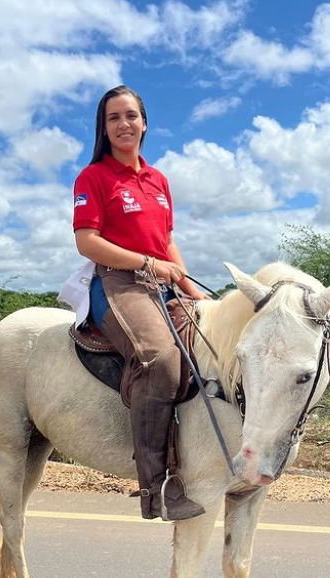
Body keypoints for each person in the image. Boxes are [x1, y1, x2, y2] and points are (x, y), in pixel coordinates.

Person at [72, 85, 209, 521]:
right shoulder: (92, 178)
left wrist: (189, 286)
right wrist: (148, 263)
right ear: (104, 128)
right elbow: (87, 242)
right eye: (113, 118)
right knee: (160, 360)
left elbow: (168, 240)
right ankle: (158, 489)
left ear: (144, 122)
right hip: (116, 284)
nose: (123, 124)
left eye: (130, 116)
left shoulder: (159, 180)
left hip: (163, 284)